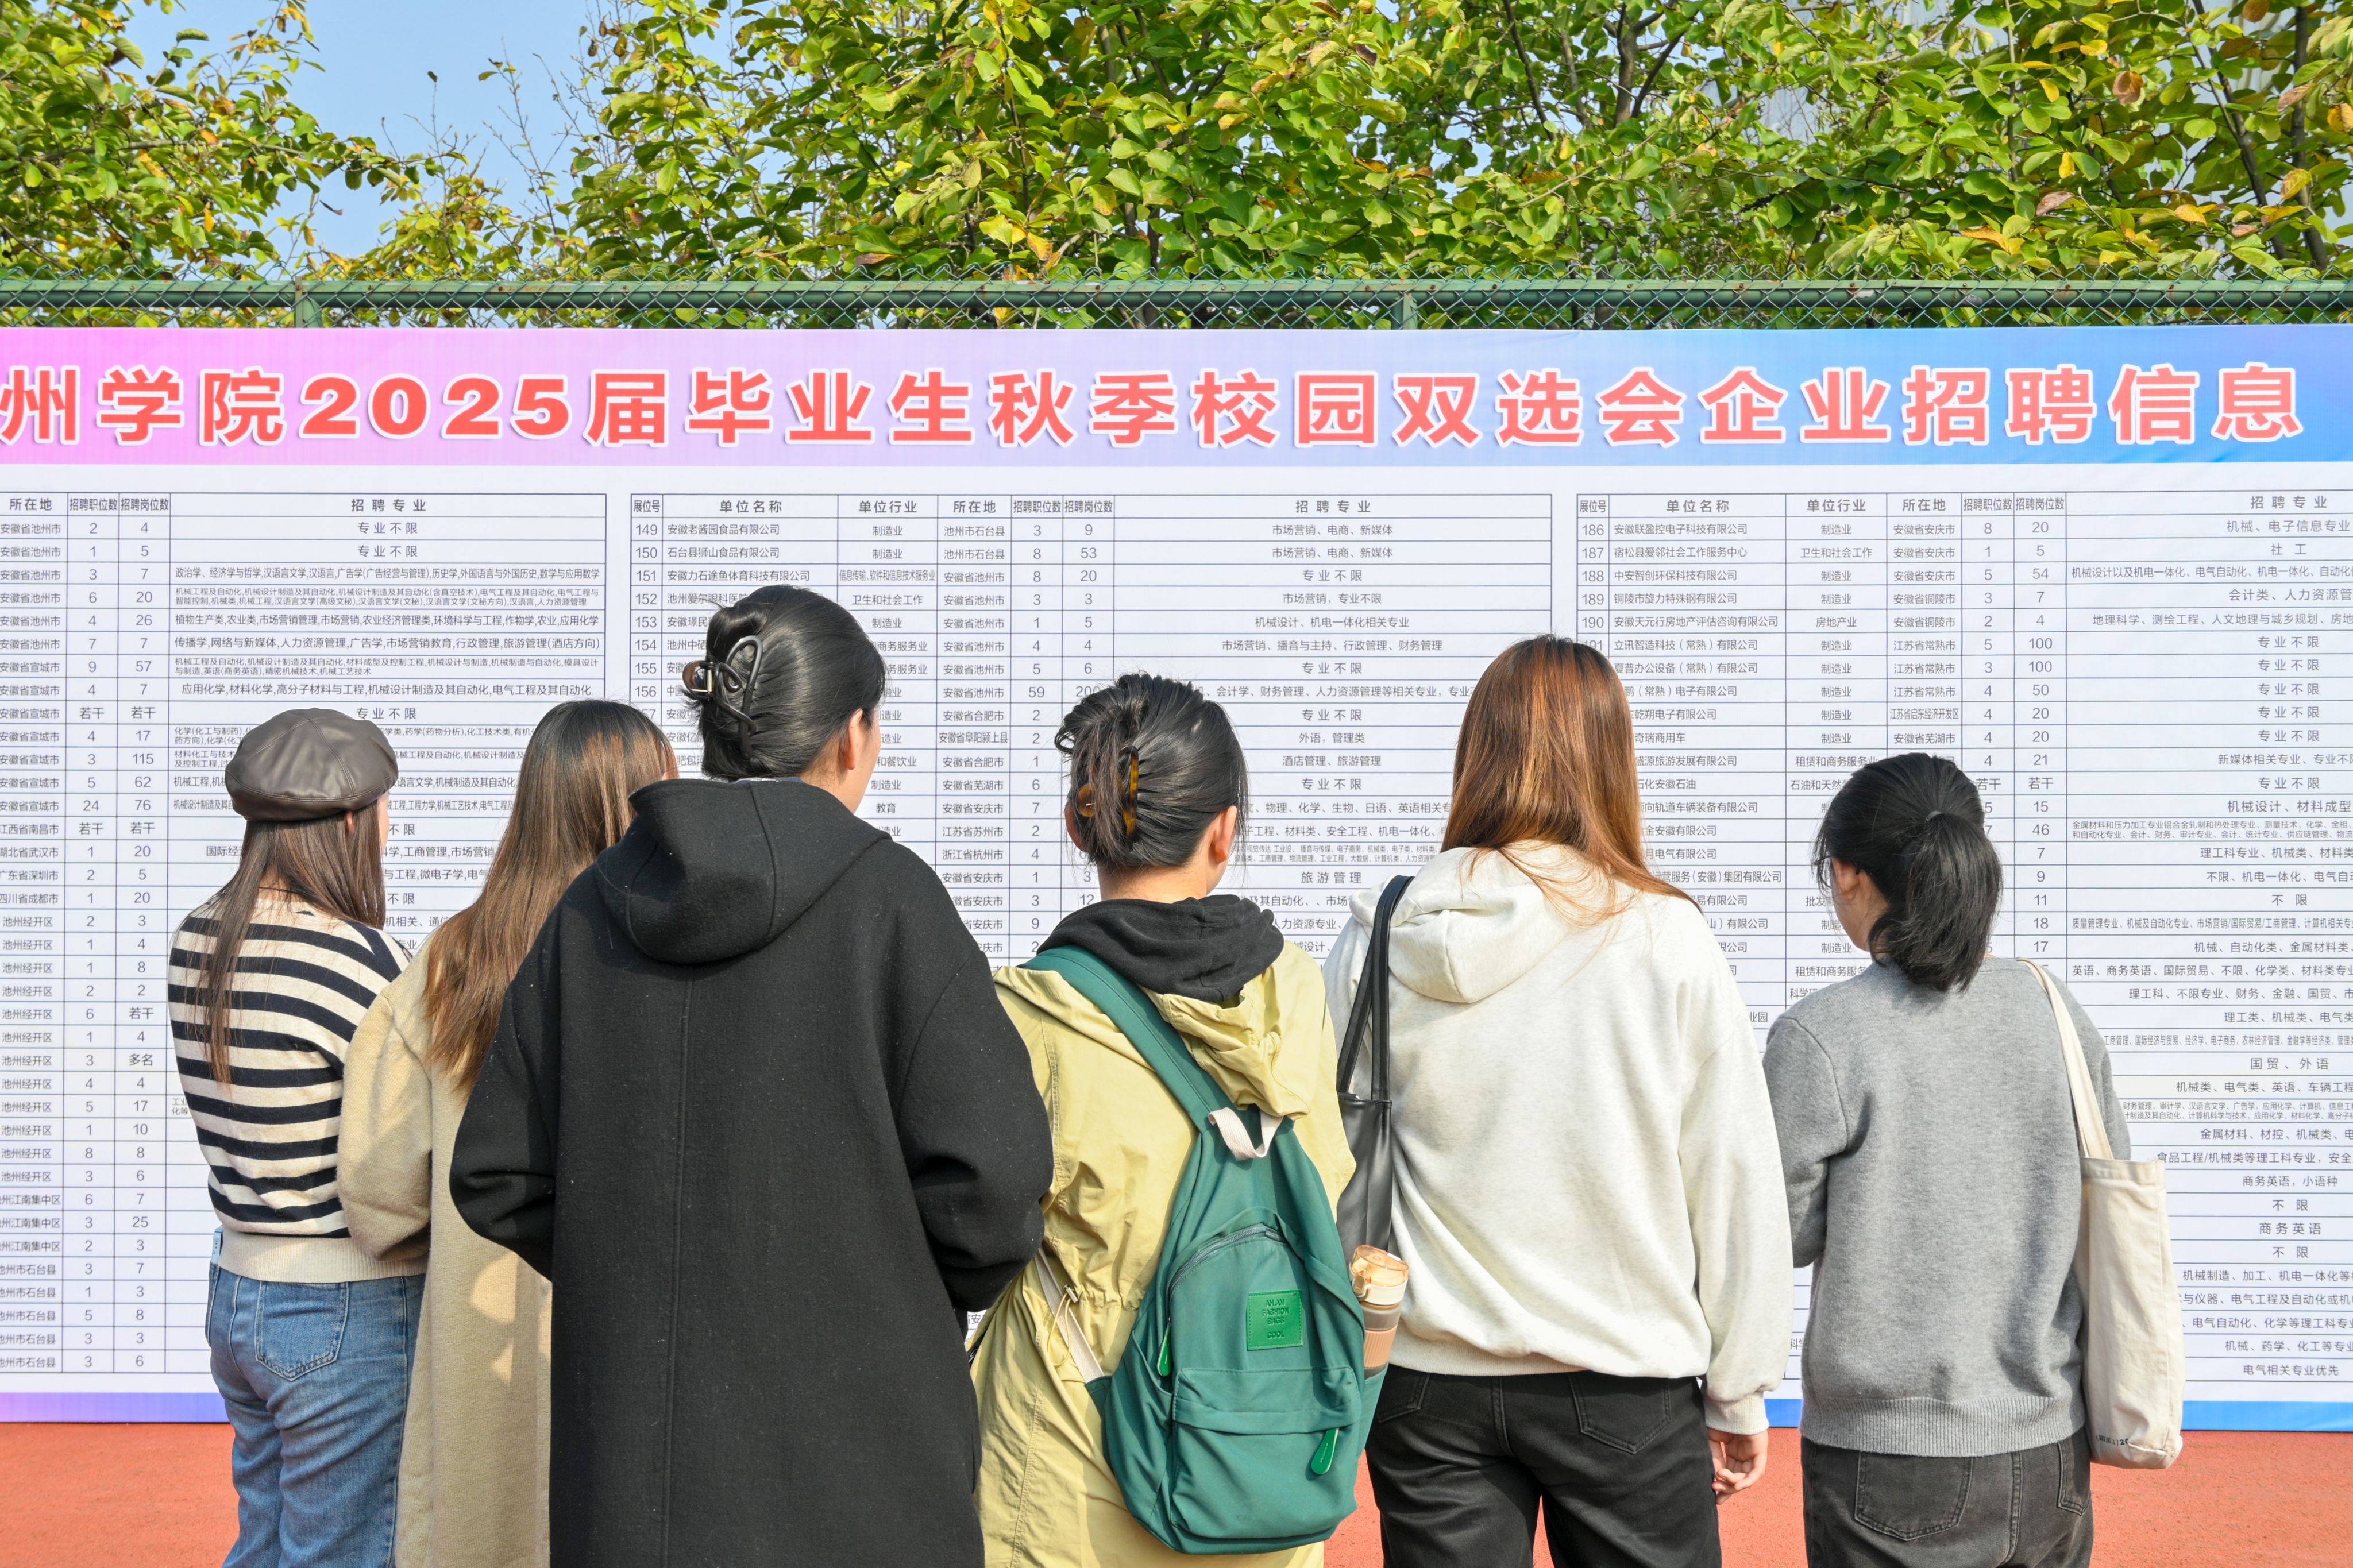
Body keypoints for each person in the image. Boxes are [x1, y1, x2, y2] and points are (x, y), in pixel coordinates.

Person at [449, 586, 1053, 1568]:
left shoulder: (592, 909)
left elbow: (498, 1171)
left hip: (635, 1489)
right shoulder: (893, 902)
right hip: (867, 1477)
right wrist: (877, 1282)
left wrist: (637, 1267)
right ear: (852, 737)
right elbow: (997, 1188)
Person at [1322, 635, 1790, 1568]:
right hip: (1622, 1376)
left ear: (1476, 752)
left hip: (1424, 1379)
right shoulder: (1664, 935)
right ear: (1614, 760)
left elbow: (1331, 1145)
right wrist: (1740, 1387)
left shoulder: (1386, 930)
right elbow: (1732, 1173)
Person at [973, 673, 1355, 1568]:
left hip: (1067, 1478)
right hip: (1257, 1470)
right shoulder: (1297, 993)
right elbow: (1326, 1180)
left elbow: (978, 1229)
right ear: (1225, 832)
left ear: (1081, 826)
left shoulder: (1030, 1012)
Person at [1763, 754, 2125, 1568]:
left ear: (1849, 874)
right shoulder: (2055, 1010)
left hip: (1889, 1456)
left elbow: (1776, 1233)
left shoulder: (1823, 1034)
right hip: (2048, 1449)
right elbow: (2103, 1193)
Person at [339, 701, 677, 1568]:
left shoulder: (452, 960)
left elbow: (377, 1191)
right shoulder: (679, 951)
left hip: (482, 1343)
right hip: (649, 1344)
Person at [169, 708, 415, 1568]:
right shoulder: (362, 960)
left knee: (265, 1543)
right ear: (348, 823)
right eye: (385, 810)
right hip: (343, 1303)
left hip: (239, 1290)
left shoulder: (198, 938)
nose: (390, 826)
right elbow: (407, 1142)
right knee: (344, 1551)